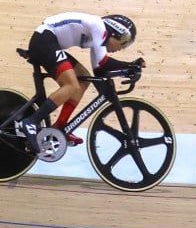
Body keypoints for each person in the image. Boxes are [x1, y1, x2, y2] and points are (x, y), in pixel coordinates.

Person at [23, 12, 139, 144]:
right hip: (44, 39)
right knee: (72, 84)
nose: (122, 48)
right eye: (123, 43)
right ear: (114, 33)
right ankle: (31, 121)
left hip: (49, 42)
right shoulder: (99, 27)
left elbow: (99, 70)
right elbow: (104, 63)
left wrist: (125, 72)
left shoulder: (97, 38)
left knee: (82, 80)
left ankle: (60, 127)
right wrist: (130, 66)